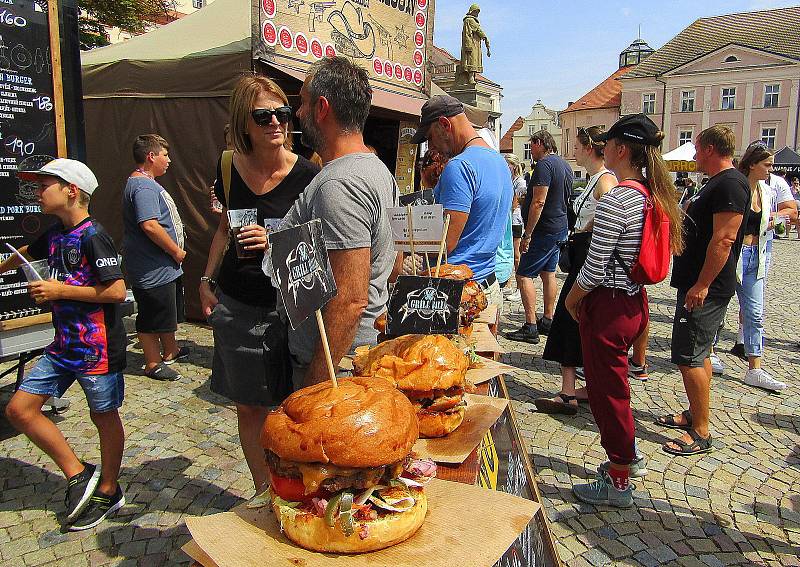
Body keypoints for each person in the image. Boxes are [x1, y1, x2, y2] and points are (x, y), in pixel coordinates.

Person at [199, 74, 319, 493]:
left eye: (282, 114)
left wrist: (276, 240)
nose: (276, 122)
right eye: (263, 115)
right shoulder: (228, 165)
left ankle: (298, 488)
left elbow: (320, 245)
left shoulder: (309, 174)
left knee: (294, 406)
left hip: (290, 306)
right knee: (249, 407)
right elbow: (221, 229)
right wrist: (206, 278)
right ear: (243, 122)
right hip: (239, 301)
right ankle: (262, 490)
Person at [564, 114, 683, 506]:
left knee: (606, 392)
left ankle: (619, 477)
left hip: (610, 306)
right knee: (616, 388)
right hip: (633, 302)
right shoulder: (650, 192)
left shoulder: (619, 197)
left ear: (619, 149)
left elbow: (595, 266)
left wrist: (572, 298)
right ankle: (628, 454)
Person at [2, 159, 127, 530]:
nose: (38, 192)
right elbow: (25, 249)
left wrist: (60, 289)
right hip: (63, 347)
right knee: (19, 410)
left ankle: (108, 488)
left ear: (72, 191)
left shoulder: (94, 235)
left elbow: (117, 291)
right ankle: (78, 473)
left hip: (97, 349)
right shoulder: (54, 233)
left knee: (103, 417)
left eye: (45, 185)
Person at [273, 56, 397, 390]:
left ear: (321, 108)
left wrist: (316, 387)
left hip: (335, 366)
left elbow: (350, 299)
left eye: (302, 103)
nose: (297, 113)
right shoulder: (375, 169)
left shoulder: (338, 184)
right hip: (347, 357)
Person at [658, 125, 749, 457]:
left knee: (689, 356)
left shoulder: (729, 184)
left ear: (710, 149)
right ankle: (695, 415)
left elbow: (724, 239)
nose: (694, 155)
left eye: (697, 149)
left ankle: (701, 431)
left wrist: (703, 284)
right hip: (697, 282)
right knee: (700, 354)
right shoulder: (717, 184)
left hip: (706, 287)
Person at [535, 126, 616, 415]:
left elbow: (609, 220)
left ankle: (568, 393)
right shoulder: (595, 179)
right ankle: (577, 388)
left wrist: (584, 229)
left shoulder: (604, 181)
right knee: (572, 322)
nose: (575, 152)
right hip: (582, 254)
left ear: (589, 148)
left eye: (579, 147)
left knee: (567, 321)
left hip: (588, 257)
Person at [411, 94, 512, 307]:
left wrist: (407, 243)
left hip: (458, 291)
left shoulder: (459, 167)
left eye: (430, 137)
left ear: (444, 124)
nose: (431, 147)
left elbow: (446, 244)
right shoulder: (499, 161)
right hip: (487, 282)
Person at [122, 134, 187, 381]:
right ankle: (152, 363)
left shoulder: (146, 183)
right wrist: (175, 250)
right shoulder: (143, 187)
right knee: (151, 314)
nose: (169, 160)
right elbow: (149, 225)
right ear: (151, 156)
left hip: (162, 267)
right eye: (165, 155)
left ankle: (171, 349)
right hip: (152, 268)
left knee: (164, 311)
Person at [507, 130, 571, 344]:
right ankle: (548, 319)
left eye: (531, 145)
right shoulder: (564, 165)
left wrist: (528, 234)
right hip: (559, 227)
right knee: (548, 273)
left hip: (543, 230)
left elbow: (539, 202)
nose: (530, 150)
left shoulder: (544, 165)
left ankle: (530, 325)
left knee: (524, 274)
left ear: (541, 143)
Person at [734, 144, 787, 391]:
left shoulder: (766, 191)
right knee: (718, 305)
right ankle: (710, 351)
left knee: (754, 313)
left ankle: (754, 367)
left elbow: (786, 211)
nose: (770, 170)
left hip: (757, 254)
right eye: (767, 165)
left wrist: (775, 220)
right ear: (752, 164)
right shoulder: (737, 187)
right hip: (735, 253)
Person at [505, 153, 526, 301]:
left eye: (508, 164)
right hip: (508, 220)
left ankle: (520, 288)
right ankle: (509, 285)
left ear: (513, 165)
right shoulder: (509, 180)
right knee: (508, 253)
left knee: (516, 255)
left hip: (515, 220)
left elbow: (517, 202)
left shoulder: (520, 182)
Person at [459, 3, 490, 85]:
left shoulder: (471, 20)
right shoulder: (469, 20)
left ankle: (473, 77)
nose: (477, 14)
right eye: (476, 12)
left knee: (475, 60)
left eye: (478, 12)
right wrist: (485, 37)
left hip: (475, 43)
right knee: (471, 60)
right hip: (471, 43)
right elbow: (477, 30)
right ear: (472, 11)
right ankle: (470, 77)